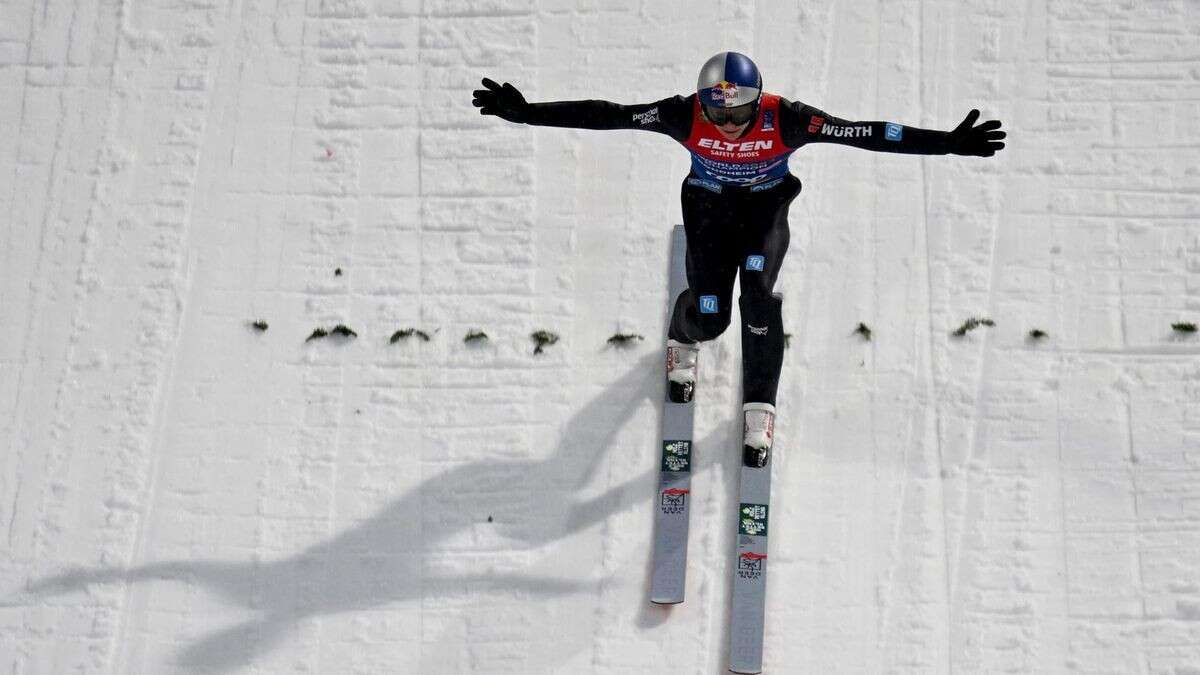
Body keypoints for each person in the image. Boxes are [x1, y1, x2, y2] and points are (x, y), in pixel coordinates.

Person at [472, 51, 1005, 467]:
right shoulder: (682, 114)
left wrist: (947, 143)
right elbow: (609, 115)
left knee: (756, 299)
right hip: (706, 210)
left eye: (740, 111)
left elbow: (868, 134)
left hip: (763, 215)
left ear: (759, 100)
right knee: (710, 315)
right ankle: (683, 338)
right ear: (702, 104)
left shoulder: (788, 119)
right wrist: (527, 115)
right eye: (719, 112)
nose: (729, 124)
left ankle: (759, 407)